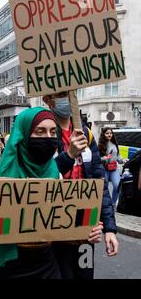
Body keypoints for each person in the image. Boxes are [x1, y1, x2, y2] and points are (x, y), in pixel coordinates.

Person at [0, 107, 104, 279]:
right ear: (22, 135)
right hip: (9, 269)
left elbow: (62, 225)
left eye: (53, 131)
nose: (48, 137)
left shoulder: (55, 173)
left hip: (48, 267)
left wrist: (88, 231)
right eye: (40, 132)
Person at [43, 92, 118, 279]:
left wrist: (109, 228)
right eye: (61, 95)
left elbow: (98, 181)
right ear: (48, 100)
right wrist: (68, 155)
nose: (67, 99)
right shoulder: (45, 132)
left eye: (70, 94)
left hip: (86, 229)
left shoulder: (86, 133)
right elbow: (41, 177)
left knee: (84, 275)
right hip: (54, 230)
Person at [98, 127, 123, 206]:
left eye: (110, 133)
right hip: (104, 168)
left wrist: (122, 160)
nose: (109, 135)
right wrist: (104, 158)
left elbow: (117, 155)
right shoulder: (100, 145)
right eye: (107, 133)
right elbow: (96, 158)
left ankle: (113, 203)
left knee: (117, 186)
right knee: (104, 188)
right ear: (104, 134)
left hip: (113, 168)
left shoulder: (114, 143)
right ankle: (104, 204)